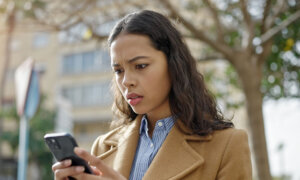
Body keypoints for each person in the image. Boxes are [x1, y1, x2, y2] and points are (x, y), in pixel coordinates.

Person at [52, 10, 252, 180]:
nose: (126, 80)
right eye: (118, 70)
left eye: (140, 66)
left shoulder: (227, 145)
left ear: (174, 65)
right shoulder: (102, 147)